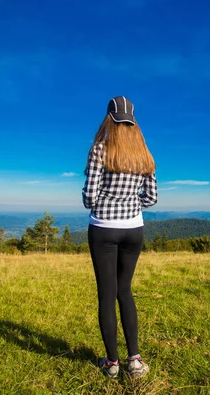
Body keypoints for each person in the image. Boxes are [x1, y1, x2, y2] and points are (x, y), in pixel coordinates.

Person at [82, 96, 158, 378]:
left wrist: (106, 199)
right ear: (132, 120)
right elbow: (151, 197)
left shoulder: (99, 150)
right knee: (125, 291)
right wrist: (130, 201)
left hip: (104, 227)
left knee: (107, 294)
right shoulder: (144, 154)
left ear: (109, 119)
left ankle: (112, 363)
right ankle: (135, 361)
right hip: (134, 229)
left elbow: (89, 198)